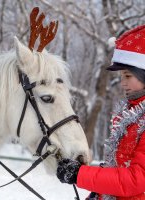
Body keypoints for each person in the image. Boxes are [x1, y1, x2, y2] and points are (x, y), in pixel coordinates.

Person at [56, 25, 145, 200]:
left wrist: (80, 174)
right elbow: (117, 169)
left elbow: (136, 179)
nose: (123, 83)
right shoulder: (131, 115)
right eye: (121, 77)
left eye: (128, 76)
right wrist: (97, 194)